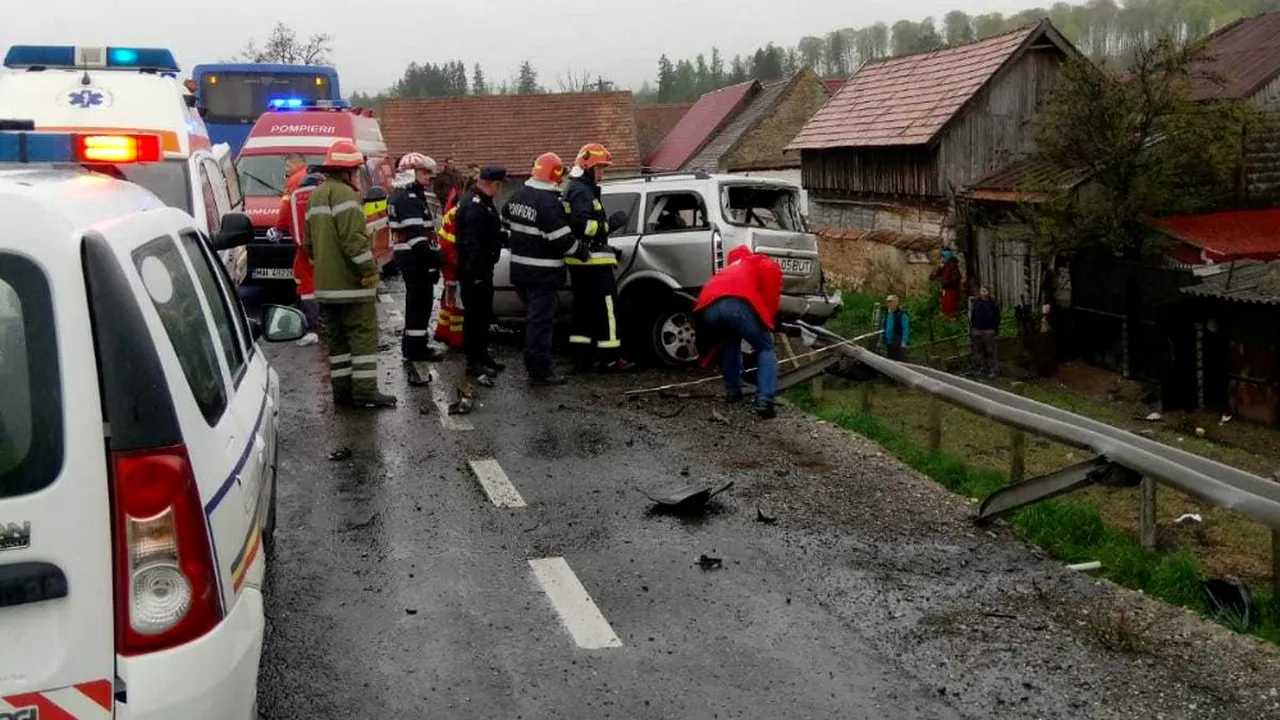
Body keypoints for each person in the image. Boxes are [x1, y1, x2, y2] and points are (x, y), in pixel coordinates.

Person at [304, 140, 397, 409]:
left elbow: (309, 243)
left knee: (338, 342)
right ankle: (366, 390)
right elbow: (354, 242)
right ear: (347, 171)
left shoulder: (315, 195)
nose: (357, 174)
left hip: (326, 287)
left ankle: (342, 393)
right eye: (356, 170)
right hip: (352, 286)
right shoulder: (347, 196)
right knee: (362, 337)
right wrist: (369, 270)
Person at [504, 152, 581, 386]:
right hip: (542, 275)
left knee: (534, 322)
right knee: (541, 324)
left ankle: (536, 367)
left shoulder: (519, 194)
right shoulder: (548, 203)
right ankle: (540, 372)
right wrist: (583, 251)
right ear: (554, 175)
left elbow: (506, 218)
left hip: (520, 271)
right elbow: (563, 241)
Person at [564, 143, 635, 373]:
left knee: (583, 311)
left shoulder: (576, 189)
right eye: (600, 168)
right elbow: (582, 224)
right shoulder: (582, 191)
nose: (602, 173)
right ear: (587, 168)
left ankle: (580, 358)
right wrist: (607, 225)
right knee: (607, 310)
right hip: (593, 264)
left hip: (582, 264)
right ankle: (611, 358)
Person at [694, 246, 783, 419]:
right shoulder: (761, 262)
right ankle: (765, 400)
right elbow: (772, 293)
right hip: (737, 305)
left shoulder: (728, 269)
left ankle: (733, 391)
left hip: (708, 308)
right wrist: (769, 321)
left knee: (731, 342)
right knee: (765, 348)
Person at [388, 152, 447, 386]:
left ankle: (415, 345)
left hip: (412, 256)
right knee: (419, 303)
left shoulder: (409, 195)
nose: (428, 177)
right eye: (424, 172)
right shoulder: (409, 198)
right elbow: (415, 237)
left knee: (419, 302)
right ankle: (415, 349)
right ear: (411, 172)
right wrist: (436, 258)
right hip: (414, 257)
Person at [454, 163, 508, 386]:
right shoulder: (475, 205)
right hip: (474, 271)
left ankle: (483, 355)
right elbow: (472, 243)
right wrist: (476, 273)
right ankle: (473, 362)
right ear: (494, 184)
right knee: (475, 318)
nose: (501, 189)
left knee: (484, 315)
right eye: (500, 185)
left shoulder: (482, 202)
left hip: (482, 269)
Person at [273, 154, 319, 346]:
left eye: (287, 164)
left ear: (294, 163)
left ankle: (311, 325)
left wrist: (278, 229)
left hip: (303, 242)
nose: (286, 169)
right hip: (321, 240)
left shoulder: (294, 181)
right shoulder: (315, 180)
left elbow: (285, 209)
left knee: (305, 280)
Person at [434, 171, 475, 351]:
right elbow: (452, 244)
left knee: (449, 299)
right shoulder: (459, 213)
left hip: (447, 261)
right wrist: (459, 265)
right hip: (452, 262)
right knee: (457, 303)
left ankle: (443, 331)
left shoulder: (454, 210)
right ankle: (456, 339)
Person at [970, 284, 1000, 378]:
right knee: (980, 351)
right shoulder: (976, 303)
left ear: (988, 292)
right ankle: (983, 369)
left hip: (989, 330)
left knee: (991, 351)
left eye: (984, 291)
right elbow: (973, 316)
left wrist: (994, 328)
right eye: (981, 291)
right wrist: (973, 328)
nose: (982, 293)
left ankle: (993, 370)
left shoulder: (992, 303)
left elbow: (997, 316)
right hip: (977, 330)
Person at [933, 248, 963, 318]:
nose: (942, 258)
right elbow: (933, 277)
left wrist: (945, 282)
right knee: (945, 308)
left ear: (947, 256)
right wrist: (940, 268)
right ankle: (947, 322)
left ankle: (951, 323)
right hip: (946, 289)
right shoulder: (944, 266)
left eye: (943, 257)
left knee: (950, 309)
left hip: (951, 290)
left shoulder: (953, 265)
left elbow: (956, 278)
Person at [880, 295, 910, 361]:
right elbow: (884, 328)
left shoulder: (902, 315)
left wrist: (904, 342)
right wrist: (882, 340)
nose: (889, 304)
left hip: (898, 343)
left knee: (898, 361)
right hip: (888, 343)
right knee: (889, 361)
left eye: (891, 302)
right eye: (888, 302)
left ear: (896, 303)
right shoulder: (886, 314)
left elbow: (906, 329)